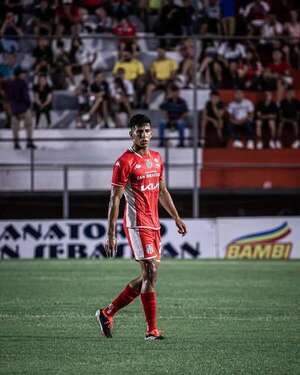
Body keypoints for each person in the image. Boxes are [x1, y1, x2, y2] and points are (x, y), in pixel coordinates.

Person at [95, 114, 187, 340]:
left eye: (146, 131)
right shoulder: (124, 162)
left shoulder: (156, 158)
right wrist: (111, 233)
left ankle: (107, 313)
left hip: (154, 224)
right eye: (139, 132)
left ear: (152, 133)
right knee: (150, 272)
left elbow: (162, 191)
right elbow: (114, 199)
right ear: (131, 134)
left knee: (149, 277)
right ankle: (151, 331)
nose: (143, 135)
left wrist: (176, 217)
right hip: (137, 224)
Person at [5, 68, 36, 149]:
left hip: (14, 109)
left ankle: (16, 144)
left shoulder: (10, 83)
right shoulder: (23, 83)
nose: (24, 75)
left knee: (15, 127)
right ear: (19, 74)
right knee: (29, 125)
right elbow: (26, 96)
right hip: (24, 108)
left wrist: (11, 109)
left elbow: (8, 98)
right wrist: (29, 106)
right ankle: (29, 142)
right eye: (23, 73)